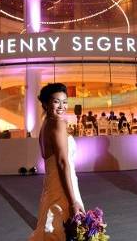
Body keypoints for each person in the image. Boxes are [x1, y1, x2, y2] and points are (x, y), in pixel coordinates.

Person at [29, 83, 85, 240]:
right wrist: (72, 201)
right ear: (46, 104)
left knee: (51, 230)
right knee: (65, 231)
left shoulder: (45, 126)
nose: (62, 106)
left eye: (65, 102)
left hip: (51, 186)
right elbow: (62, 163)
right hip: (63, 187)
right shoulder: (58, 123)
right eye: (56, 101)